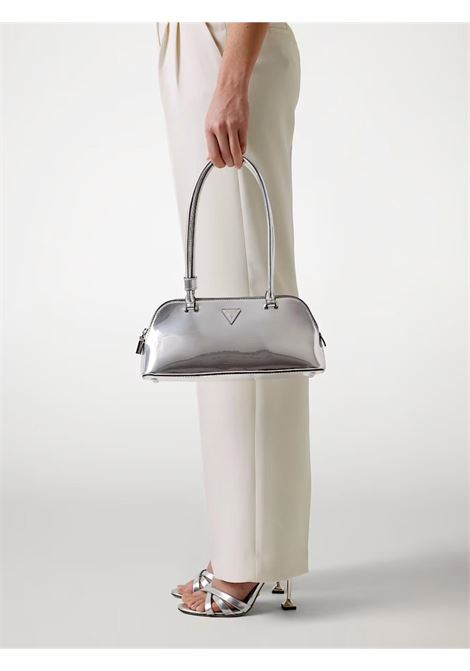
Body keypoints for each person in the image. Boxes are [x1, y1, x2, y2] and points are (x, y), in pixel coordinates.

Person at [157, 22, 310, 617]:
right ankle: (246, 546)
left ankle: (245, 563)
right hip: (195, 43)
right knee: (229, 308)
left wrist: (231, 78)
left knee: (242, 315)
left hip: (225, 41)